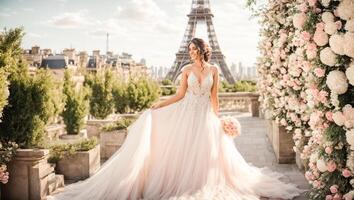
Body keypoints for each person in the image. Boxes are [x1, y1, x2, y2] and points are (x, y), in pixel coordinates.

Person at [49, 38, 304, 200]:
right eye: (190, 49)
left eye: (195, 49)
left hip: (204, 116)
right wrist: (160, 104)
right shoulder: (185, 70)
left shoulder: (215, 70)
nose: (191, 52)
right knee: (185, 151)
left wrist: (220, 119)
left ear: (203, 50)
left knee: (204, 152)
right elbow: (180, 95)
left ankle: (203, 182)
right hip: (186, 114)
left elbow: (215, 98)